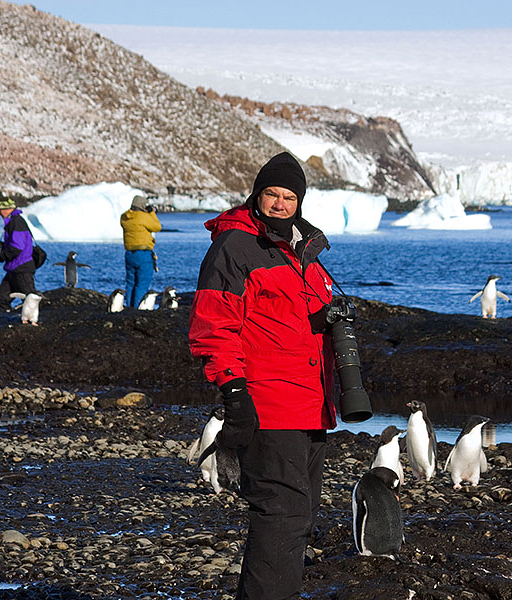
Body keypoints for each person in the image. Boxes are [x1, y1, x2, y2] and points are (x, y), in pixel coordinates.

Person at [188, 152, 336, 600]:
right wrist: (234, 392)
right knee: (283, 514)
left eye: (289, 196)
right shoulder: (235, 247)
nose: (278, 203)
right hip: (269, 405)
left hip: (310, 405)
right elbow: (213, 325)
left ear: (300, 201)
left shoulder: (301, 248)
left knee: (298, 516)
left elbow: (290, 319)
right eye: (271, 193)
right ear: (257, 195)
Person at [0, 197, 38, 312]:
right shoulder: (13, 222)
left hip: (22, 267)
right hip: (13, 268)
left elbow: (17, 247)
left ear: (6, 209)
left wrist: (3, 255)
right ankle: (5, 322)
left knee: (29, 298)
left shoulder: (16, 222)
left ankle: (34, 323)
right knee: (2, 299)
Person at [120, 194, 161, 307]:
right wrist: (151, 212)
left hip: (129, 254)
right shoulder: (143, 217)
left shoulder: (124, 217)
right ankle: (137, 308)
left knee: (130, 282)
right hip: (143, 254)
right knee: (142, 283)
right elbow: (157, 227)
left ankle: (129, 306)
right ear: (143, 206)